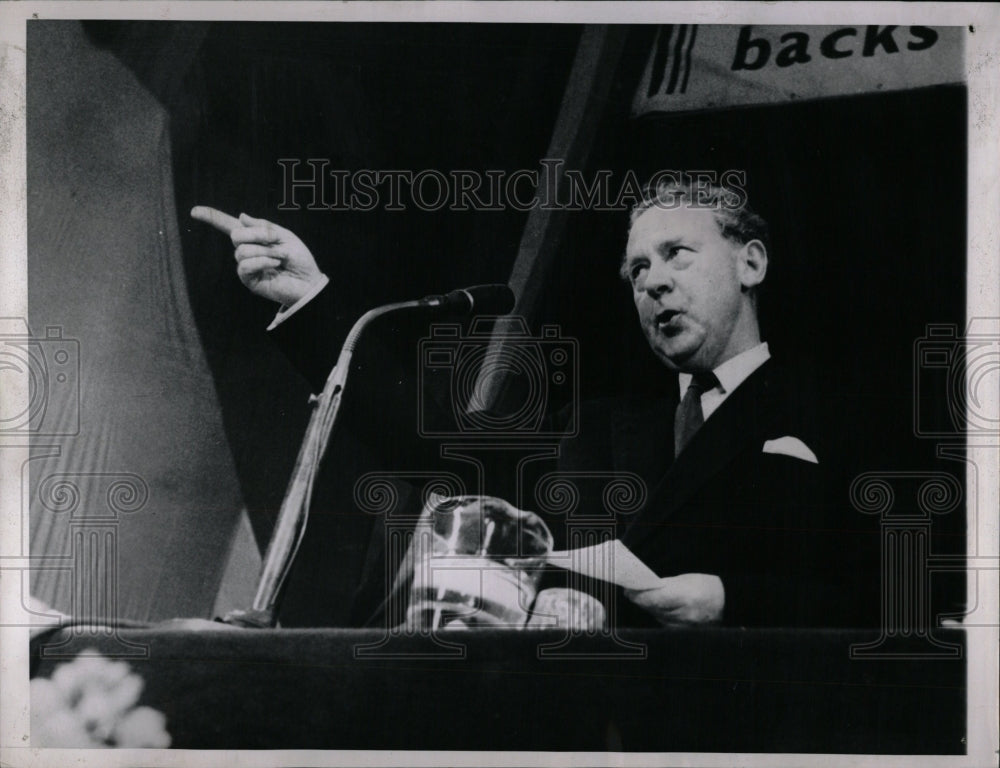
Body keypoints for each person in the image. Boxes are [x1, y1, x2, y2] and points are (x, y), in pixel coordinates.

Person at [192, 181, 875, 628]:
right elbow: (434, 449)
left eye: (677, 255)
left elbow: (900, 590)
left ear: (751, 264)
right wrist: (311, 298)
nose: (654, 283)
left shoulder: (843, 411)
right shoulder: (607, 427)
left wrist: (733, 601)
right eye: (637, 270)